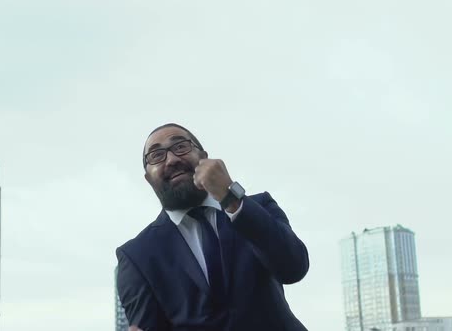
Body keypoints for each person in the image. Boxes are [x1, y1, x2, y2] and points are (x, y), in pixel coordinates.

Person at [116, 123, 309, 331]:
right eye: (156, 155)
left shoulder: (257, 207)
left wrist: (231, 197)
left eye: (181, 146)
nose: (171, 159)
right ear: (148, 178)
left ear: (204, 157)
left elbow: (294, 267)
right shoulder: (137, 256)